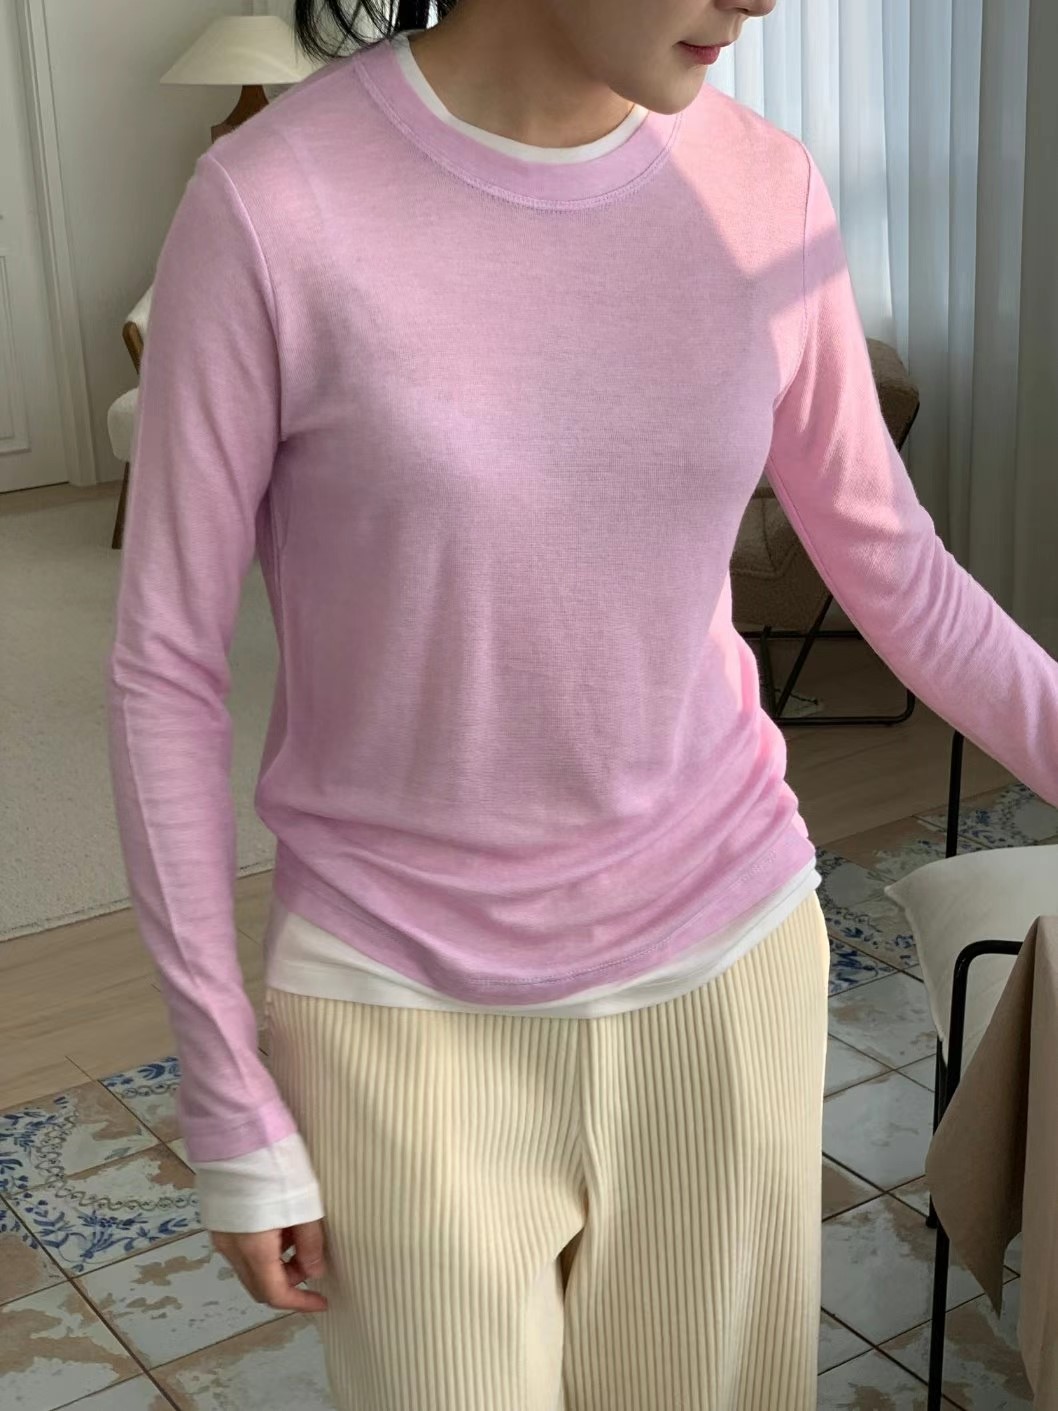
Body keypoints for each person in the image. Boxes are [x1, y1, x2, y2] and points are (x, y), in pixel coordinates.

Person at [105, 0, 1058, 1406]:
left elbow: (895, 568)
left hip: (726, 967)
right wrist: (222, 1079)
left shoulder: (766, 187)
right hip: (396, 1006)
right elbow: (165, 667)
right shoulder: (269, 205)